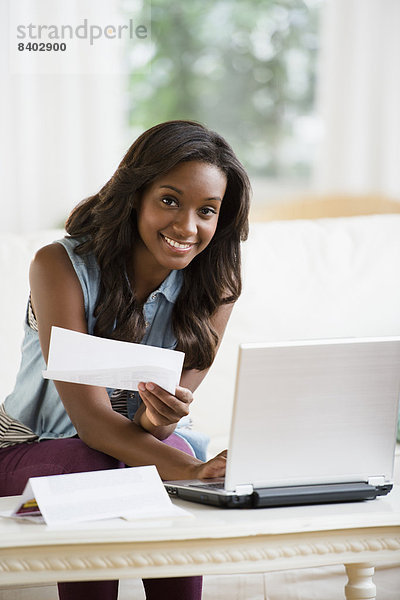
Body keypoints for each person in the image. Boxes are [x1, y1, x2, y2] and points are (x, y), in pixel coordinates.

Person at [0, 120, 250, 599]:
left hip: (127, 454)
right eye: (170, 200)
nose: (186, 226)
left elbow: (150, 429)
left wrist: (159, 421)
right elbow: (92, 424)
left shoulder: (214, 290)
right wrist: (194, 473)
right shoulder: (59, 266)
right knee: (105, 465)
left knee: (168, 453)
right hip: (30, 445)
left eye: (207, 211)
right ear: (136, 193)